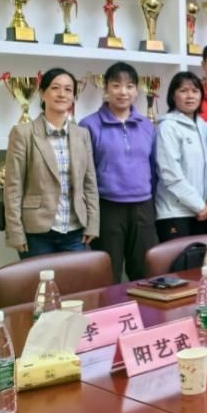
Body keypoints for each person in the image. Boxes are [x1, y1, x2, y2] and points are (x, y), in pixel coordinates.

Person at [4, 68, 99, 259]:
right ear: (42, 93)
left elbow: (90, 184)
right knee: (39, 280)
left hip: (75, 231)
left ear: (74, 96)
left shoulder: (82, 134)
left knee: (74, 279)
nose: (62, 94)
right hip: (36, 233)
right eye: (55, 88)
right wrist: (15, 231)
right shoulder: (22, 133)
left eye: (68, 89)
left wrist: (93, 224)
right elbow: (13, 187)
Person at [80, 62, 157, 281]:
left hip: (143, 206)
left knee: (144, 272)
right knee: (108, 273)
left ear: (137, 90)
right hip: (107, 207)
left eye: (129, 86)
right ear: (105, 88)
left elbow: (153, 167)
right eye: (116, 85)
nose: (123, 92)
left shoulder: (147, 125)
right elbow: (85, 172)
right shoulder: (89, 125)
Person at [155, 72, 207, 242]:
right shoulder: (167, 127)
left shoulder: (206, 128)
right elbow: (170, 174)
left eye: (195, 91)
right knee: (178, 259)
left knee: (205, 259)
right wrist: (199, 206)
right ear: (173, 96)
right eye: (183, 91)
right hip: (175, 213)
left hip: (205, 213)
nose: (190, 96)